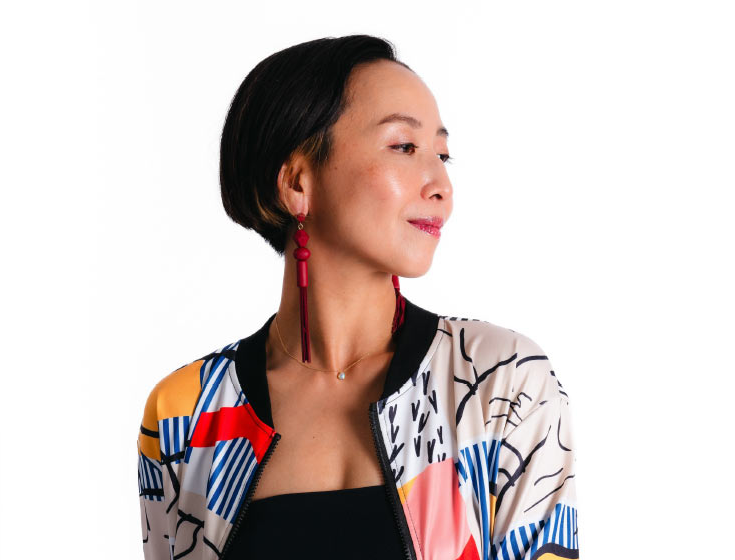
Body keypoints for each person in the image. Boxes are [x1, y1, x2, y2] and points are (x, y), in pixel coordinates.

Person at [137, 34, 579, 560]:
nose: (441, 185)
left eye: (442, 154)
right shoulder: (188, 415)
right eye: (404, 147)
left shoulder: (499, 383)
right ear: (297, 183)